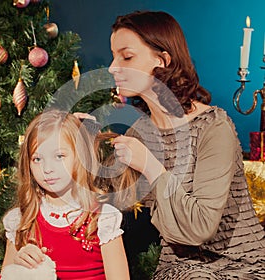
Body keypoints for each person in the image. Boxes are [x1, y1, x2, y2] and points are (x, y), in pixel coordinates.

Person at [107, 10, 265, 279]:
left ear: (162, 60)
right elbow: (109, 198)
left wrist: (150, 166)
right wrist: (76, 140)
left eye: (127, 56)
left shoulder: (212, 127)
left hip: (242, 264)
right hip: (179, 268)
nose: (112, 67)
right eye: (113, 56)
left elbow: (201, 228)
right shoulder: (140, 132)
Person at [0, 109, 130, 280]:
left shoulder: (102, 219)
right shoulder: (22, 220)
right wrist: (18, 266)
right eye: (37, 159)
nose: (47, 169)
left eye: (59, 156)